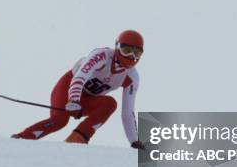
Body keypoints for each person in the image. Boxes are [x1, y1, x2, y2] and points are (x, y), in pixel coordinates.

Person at [12, 30, 145, 149]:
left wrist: (134, 141)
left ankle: (77, 139)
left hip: (88, 100)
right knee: (60, 120)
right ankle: (21, 138)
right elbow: (80, 77)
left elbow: (128, 111)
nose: (131, 56)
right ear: (117, 47)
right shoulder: (102, 56)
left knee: (110, 104)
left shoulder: (132, 77)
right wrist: (74, 100)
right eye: (126, 50)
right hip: (68, 88)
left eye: (137, 52)